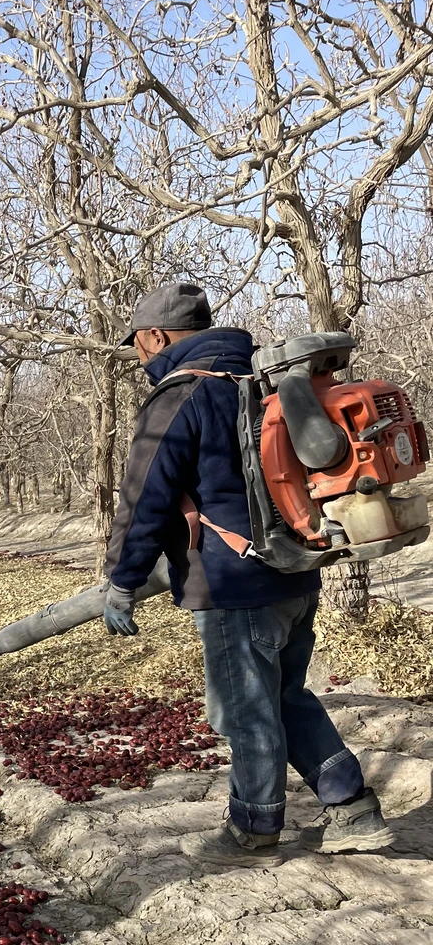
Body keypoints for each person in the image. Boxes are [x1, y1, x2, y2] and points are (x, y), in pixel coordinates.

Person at [103, 281, 392, 865]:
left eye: (137, 342)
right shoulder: (264, 381)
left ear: (155, 336)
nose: (137, 353)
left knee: (245, 709)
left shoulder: (180, 396)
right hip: (296, 567)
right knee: (284, 695)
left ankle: (253, 829)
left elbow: (144, 497)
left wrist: (122, 580)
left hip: (233, 582)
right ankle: (353, 807)